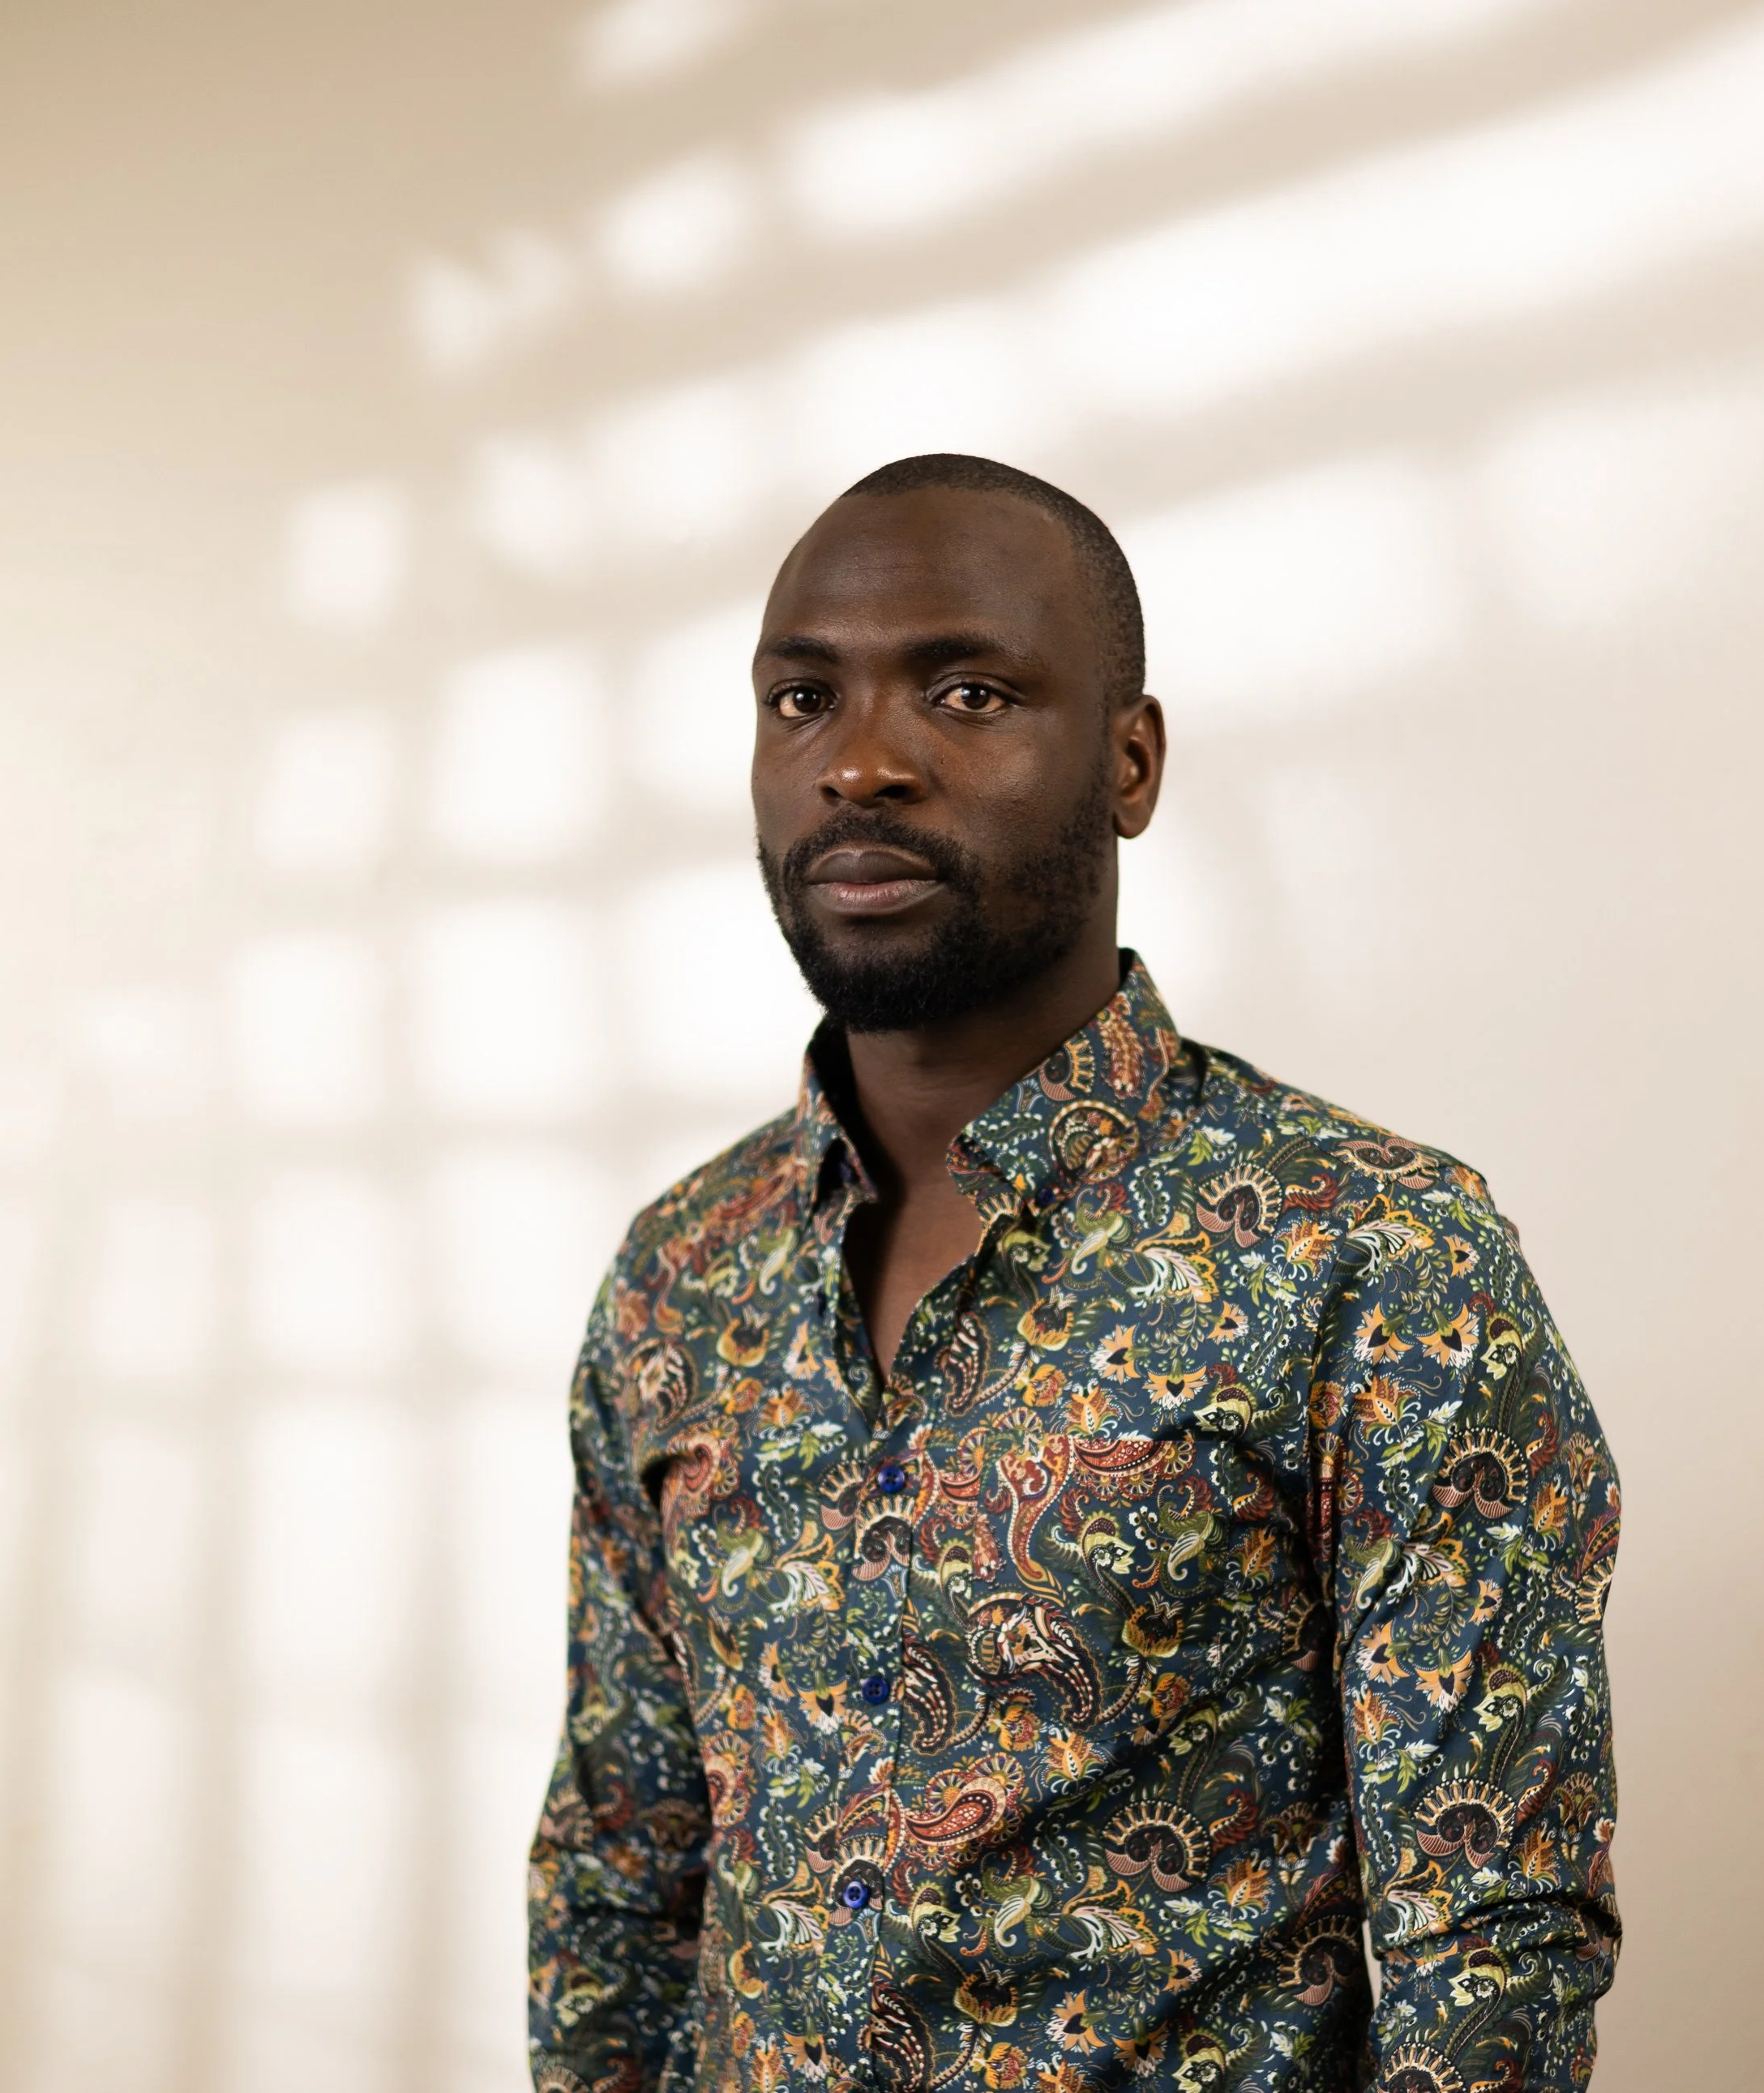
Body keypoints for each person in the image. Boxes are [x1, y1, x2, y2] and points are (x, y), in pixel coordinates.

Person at [527, 455, 1621, 2093]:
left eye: (965, 690)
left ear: (1128, 760)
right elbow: (620, 1867)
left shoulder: (1373, 1261)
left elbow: (1491, 1945)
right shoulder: (679, 1276)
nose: (862, 765)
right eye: (800, 700)